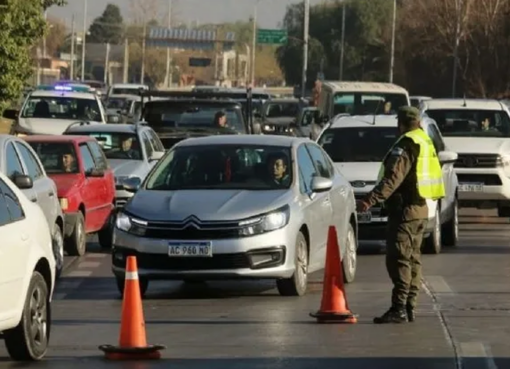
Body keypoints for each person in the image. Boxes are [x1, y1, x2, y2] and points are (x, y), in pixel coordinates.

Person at [356, 106, 445, 324]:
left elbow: (392, 180)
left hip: (405, 213)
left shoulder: (407, 145)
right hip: (420, 210)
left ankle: (399, 309)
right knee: (413, 260)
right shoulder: (424, 140)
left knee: (399, 260)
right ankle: (409, 306)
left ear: (401, 124)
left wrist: (369, 200)